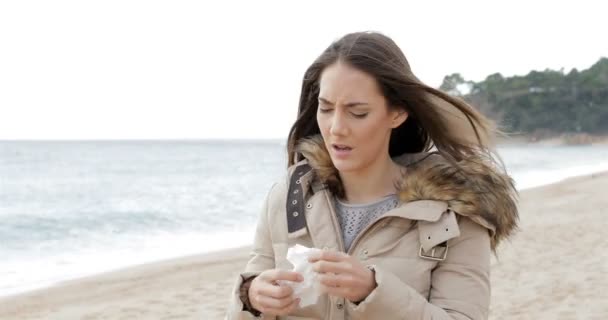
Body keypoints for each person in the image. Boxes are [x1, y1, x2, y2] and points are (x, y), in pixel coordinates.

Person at [226, 31, 518, 320]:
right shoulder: (289, 197)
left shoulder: (455, 215)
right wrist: (250, 299)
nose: (336, 128)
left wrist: (373, 291)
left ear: (397, 113)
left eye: (358, 112)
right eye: (326, 108)